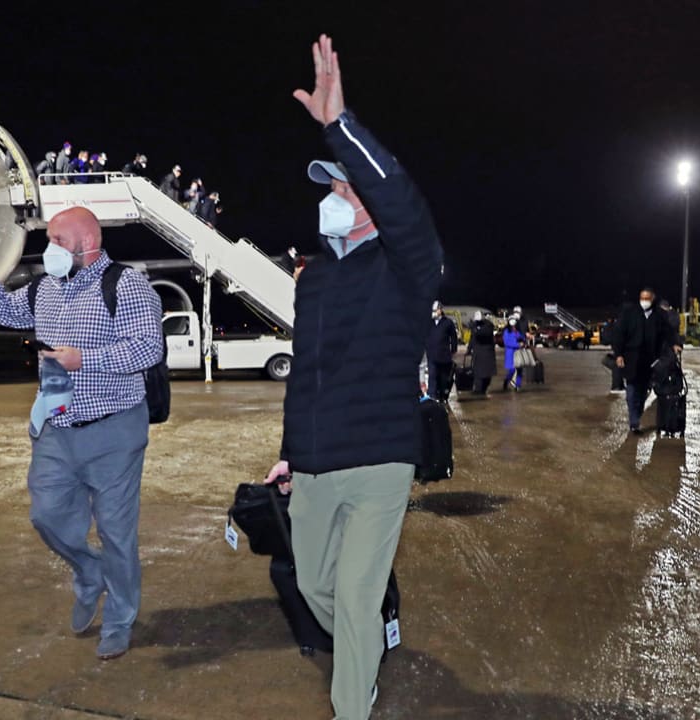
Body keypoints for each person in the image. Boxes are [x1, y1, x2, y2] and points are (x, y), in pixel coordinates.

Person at [261, 34, 443, 719]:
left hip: (380, 460)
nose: (333, 196)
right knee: (314, 588)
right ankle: (369, 642)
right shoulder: (315, 278)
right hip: (315, 461)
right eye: (330, 187)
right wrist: (289, 450)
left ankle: (352, 705)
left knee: (358, 598)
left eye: (343, 186)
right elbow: (304, 374)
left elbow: (402, 202)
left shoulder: (405, 267)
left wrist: (340, 128)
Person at [0, 207, 163, 659]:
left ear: (85, 242)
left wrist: (85, 359)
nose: (48, 245)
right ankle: (89, 573)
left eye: (56, 238)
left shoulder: (126, 285)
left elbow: (148, 346)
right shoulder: (45, 288)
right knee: (46, 516)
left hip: (113, 429)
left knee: (116, 531)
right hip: (55, 425)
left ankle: (119, 617)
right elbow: (0, 310)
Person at [612, 287, 682, 434]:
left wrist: (675, 344)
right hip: (631, 358)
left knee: (643, 391)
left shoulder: (659, 315)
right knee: (631, 391)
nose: (644, 301)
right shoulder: (629, 314)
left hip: (649, 360)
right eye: (642, 298)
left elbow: (668, 332)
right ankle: (634, 422)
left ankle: (637, 415)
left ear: (653, 299)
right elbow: (619, 335)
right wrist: (618, 354)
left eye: (647, 298)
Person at [425, 301, 458, 401]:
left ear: (440, 310)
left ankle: (442, 396)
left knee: (443, 378)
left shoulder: (448, 323)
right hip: (432, 355)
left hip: (444, 356)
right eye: (432, 311)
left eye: (435, 310)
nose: (433, 313)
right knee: (432, 376)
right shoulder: (428, 323)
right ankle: (432, 396)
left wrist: (454, 349)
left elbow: (453, 337)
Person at [469, 311, 497, 395]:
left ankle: (482, 388)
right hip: (478, 353)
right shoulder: (475, 325)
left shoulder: (488, 325)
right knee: (478, 372)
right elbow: (472, 338)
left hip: (486, 353)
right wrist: (469, 348)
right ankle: (478, 389)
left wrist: (474, 329)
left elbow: (483, 334)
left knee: (486, 373)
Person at [502, 318, 525, 391]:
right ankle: (506, 380)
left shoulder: (517, 331)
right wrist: (518, 345)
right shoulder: (506, 331)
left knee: (519, 370)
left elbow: (522, 338)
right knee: (511, 370)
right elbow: (506, 343)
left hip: (518, 352)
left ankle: (518, 385)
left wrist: (523, 341)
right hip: (510, 352)